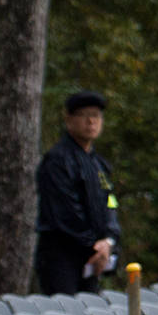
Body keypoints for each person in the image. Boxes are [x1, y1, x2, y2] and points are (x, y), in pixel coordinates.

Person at [35, 90, 120, 295]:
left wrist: (109, 240)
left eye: (96, 115)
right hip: (62, 257)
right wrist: (94, 244)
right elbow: (65, 212)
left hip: (94, 258)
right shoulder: (58, 160)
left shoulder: (100, 165)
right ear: (69, 120)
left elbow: (111, 202)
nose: (91, 121)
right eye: (84, 115)